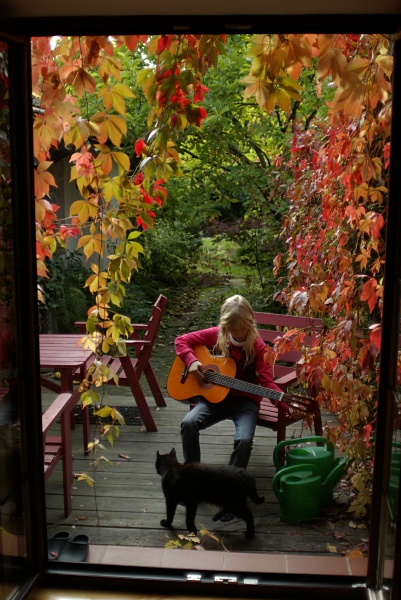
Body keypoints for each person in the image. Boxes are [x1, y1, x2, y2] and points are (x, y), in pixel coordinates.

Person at [175, 295, 283, 521]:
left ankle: (231, 496)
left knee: (244, 440)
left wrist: (280, 400)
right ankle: (193, 481)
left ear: (251, 324)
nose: (239, 334)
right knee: (188, 423)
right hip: (215, 399)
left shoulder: (258, 347)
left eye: (243, 328)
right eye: (234, 329)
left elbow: (267, 380)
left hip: (245, 403)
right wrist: (191, 361)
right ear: (225, 326)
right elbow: (181, 340)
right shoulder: (217, 334)